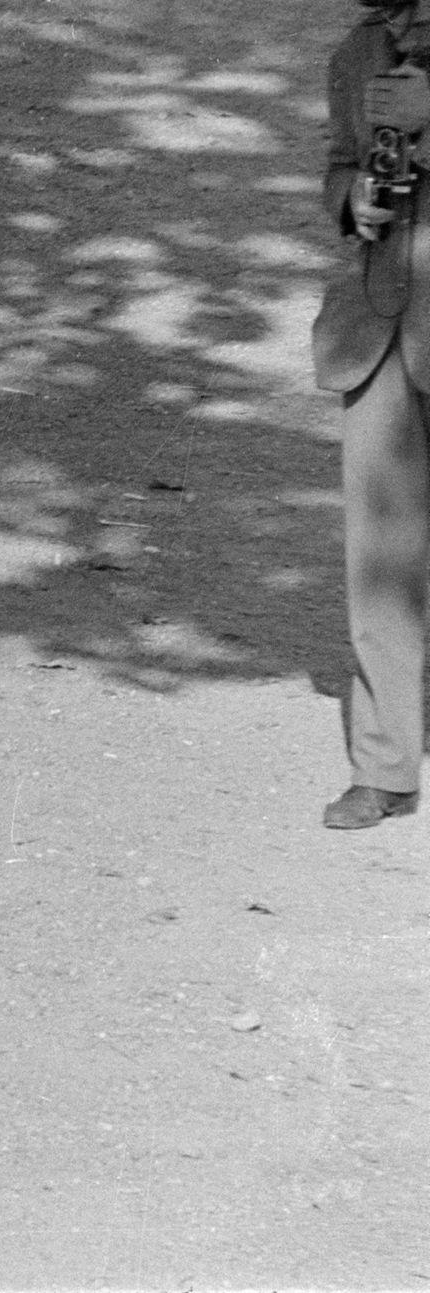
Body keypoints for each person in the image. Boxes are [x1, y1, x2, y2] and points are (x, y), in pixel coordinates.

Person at [313, 0, 430, 828]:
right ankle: (386, 765)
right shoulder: (355, 53)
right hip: (378, 324)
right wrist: (352, 197)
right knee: (379, 557)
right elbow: (338, 164)